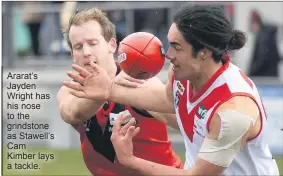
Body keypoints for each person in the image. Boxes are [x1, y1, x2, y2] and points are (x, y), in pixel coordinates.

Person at [63, 5, 280, 176]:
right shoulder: (183, 75)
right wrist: (108, 90)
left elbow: (196, 175)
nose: (167, 55)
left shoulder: (234, 111)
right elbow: (169, 100)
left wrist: (130, 160)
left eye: (176, 47)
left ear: (203, 52)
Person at [57, 8, 183, 176]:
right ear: (73, 54)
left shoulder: (139, 81)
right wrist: (109, 90)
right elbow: (73, 113)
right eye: (78, 47)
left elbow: (183, 121)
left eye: (93, 43)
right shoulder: (71, 90)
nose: (86, 52)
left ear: (112, 45)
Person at [248, 10, 281, 77]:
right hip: (272, 74)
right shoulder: (267, 35)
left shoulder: (263, 37)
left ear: (256, 23)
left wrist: (251, 72)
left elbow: (262, 58)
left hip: (263, 76)